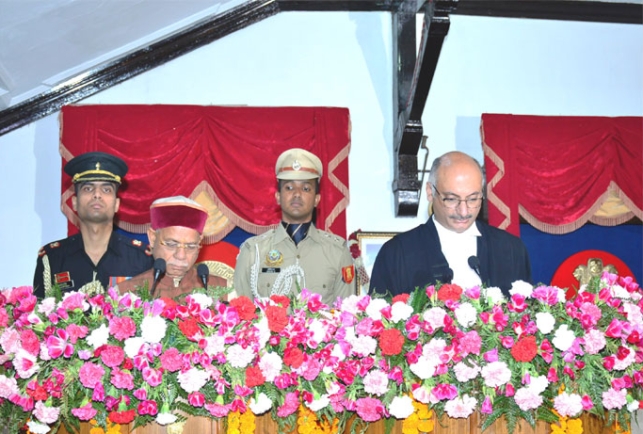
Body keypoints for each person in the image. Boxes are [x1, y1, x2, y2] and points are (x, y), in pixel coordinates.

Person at [369, 151, 532, 297]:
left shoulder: (510, 250)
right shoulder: (397, 253)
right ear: (430, 192)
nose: (463, 211)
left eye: (473, 199)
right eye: (452, 199)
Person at [234, 148, 355, 304]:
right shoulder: (253, 252)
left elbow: (347, 317)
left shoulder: (337, 252)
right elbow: (242, 317)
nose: (297, 194)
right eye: (289, 187)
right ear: (278, 197)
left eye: (306, 188)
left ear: (317, 199)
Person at [33, 151, 153, 298]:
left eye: (106, 189)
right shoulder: (53, 258)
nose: (97, 194)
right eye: (88, 189)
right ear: (75, 203)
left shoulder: (142, 258)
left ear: (116, 204)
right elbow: (39, 317)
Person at [117, 195, 226, 298]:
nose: (181, 256)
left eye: (191, 246)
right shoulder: (124, 293)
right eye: (171, 244)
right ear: (153, 238)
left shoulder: (224, 291)